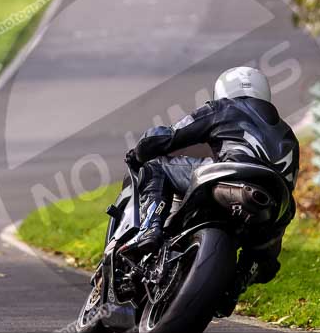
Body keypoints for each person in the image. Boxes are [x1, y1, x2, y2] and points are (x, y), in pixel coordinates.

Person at [125, 66, 299, 305]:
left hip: (229, 176)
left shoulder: (224, 108)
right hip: (272, 203)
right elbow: (290, 181)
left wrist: (141, 150)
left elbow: (171, 136)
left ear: (224, 91)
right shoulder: (289, 134)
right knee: (264, 258)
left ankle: (150, 228)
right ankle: (237, 284)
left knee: (157, 166)